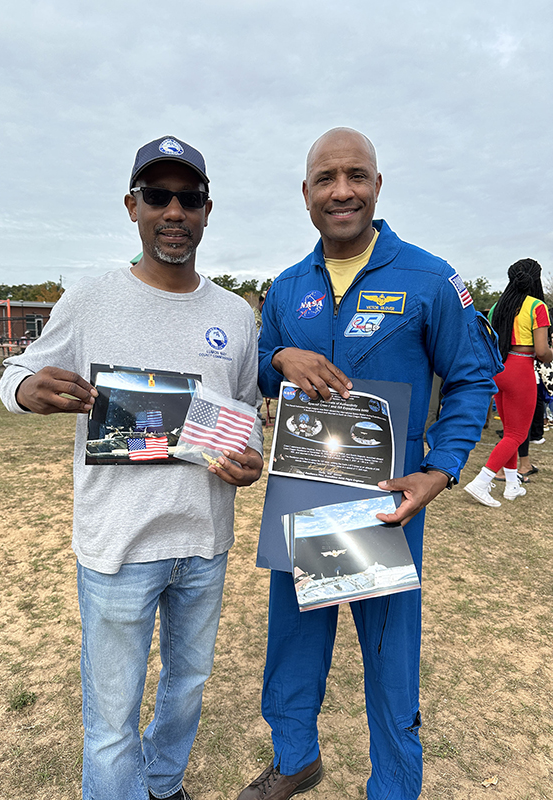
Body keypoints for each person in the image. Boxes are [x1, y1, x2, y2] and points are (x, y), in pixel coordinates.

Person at [236, 127, 501, 800]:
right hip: (304, 496)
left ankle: (394, 786)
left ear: (378, 186)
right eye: (326, 179)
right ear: (306, 194)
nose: (342, 190)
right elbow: (266, 381)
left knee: (389, 660)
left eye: (356, 175)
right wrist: (277, 358)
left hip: (386, 502)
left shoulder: (430, 279)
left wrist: (439, 470)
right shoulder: (288, 285)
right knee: (293, 643)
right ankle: (295, 757)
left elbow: (473, 380)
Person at [0, 135, 264, 800]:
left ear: (207, 210)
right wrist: (29, 393)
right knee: (111, 723)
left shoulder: (236, 315)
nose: (174, 210)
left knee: (186, 688)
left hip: (204, 544)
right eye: (158, 196)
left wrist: (250, 462)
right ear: (132, 206)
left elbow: (247, 418)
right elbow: (17, 375)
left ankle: (163, 785)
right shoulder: (89, 301)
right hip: (118, 548)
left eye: (188, 197)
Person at [465, 259, 552, 507]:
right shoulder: (537, 306)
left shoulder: (496, 307)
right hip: (520, 369)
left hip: (499, 369)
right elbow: (543, 352)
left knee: (511, 429)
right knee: (516, 433)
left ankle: (512, 484)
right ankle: (482, 482)